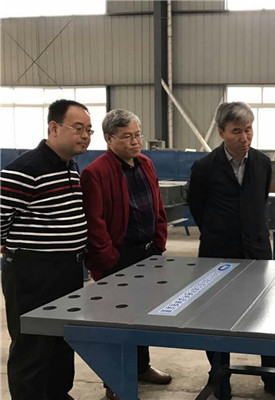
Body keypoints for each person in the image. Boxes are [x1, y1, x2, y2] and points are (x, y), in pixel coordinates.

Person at [188, 102, 275, 400]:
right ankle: (220, 376)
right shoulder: (204, 167)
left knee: (266, 316)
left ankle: (274, 377)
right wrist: (219, 232)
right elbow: (197, 207)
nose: (245, 137)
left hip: (256, 251)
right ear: (222, 132)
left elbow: (260, 200)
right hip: (217, 254)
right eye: (237, 131)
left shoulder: (262, 163)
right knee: (215, 317)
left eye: (248, 130)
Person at [0, 99, 92, 400]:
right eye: (78, 128)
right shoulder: (25, 169)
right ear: (54, 127)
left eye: (88, 130)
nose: (85, 136)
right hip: (32, 274)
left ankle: (57, 395)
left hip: (67, 270)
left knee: (61, 342)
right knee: (33, 346)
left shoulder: (70, 166)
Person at [80, 109, 172, 400]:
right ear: (109, 139)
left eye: (137, 135)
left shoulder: (146, 164)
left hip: (148, 254)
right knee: (117, 322)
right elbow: (95, 224)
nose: (135, 141)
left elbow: (157, 206)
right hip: (118, 257)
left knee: (142, 316)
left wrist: (159, 241)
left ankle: (141, 367)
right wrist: (109, 259)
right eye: (126, 136)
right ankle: (115, 382)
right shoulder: (96, 173)